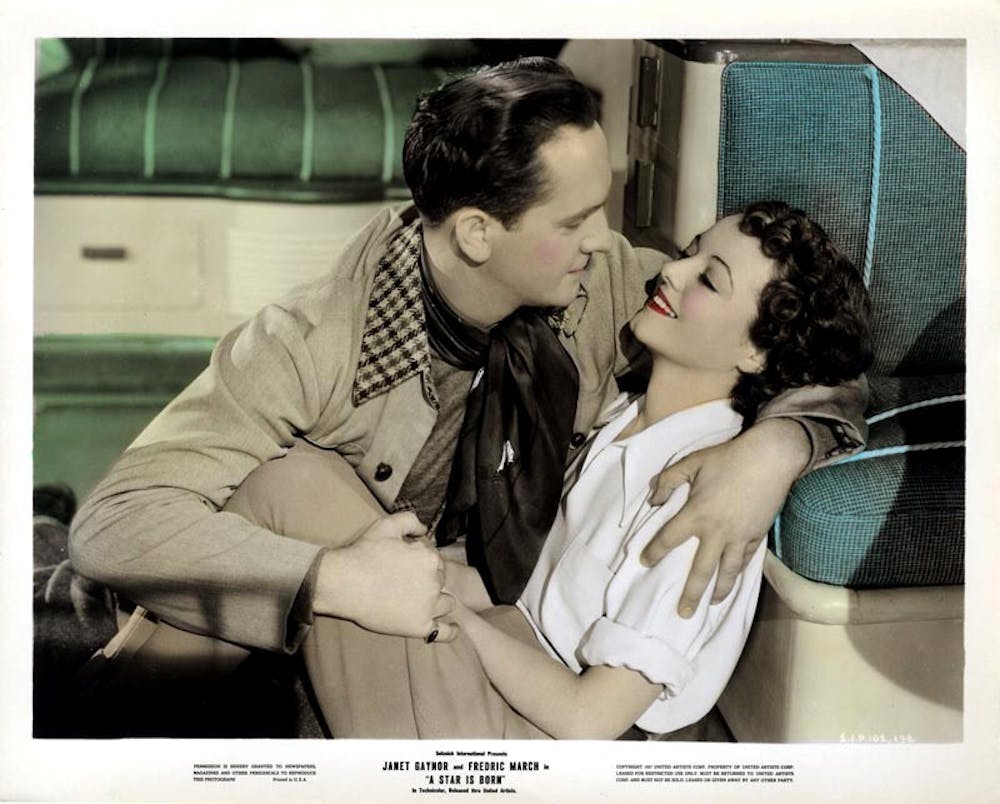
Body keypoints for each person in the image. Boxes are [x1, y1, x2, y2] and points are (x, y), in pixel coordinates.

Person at [68, 59, 867, 731]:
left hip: (490, 647)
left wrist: (771, 452)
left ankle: (105, 720)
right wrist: (337, 580)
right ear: (479, 232)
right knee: (285, 483)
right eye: (577, 219)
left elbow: (813, 344)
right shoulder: (311, 341)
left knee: (285, 509)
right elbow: (113, 523)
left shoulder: (613, 287)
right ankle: (106, 723)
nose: (609, 241)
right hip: (416, 600)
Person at [316, 201, 874, 739]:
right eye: (689, 253)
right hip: (507, 648)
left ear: (757, 352)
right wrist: (416, 574)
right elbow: (526, 592)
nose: (672, 272)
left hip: (545, 732)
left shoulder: (700, 504)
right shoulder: (623, 415)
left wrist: (451, 614)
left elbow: (588, 721)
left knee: (313, 541)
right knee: (312, 496)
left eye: (708, 280)